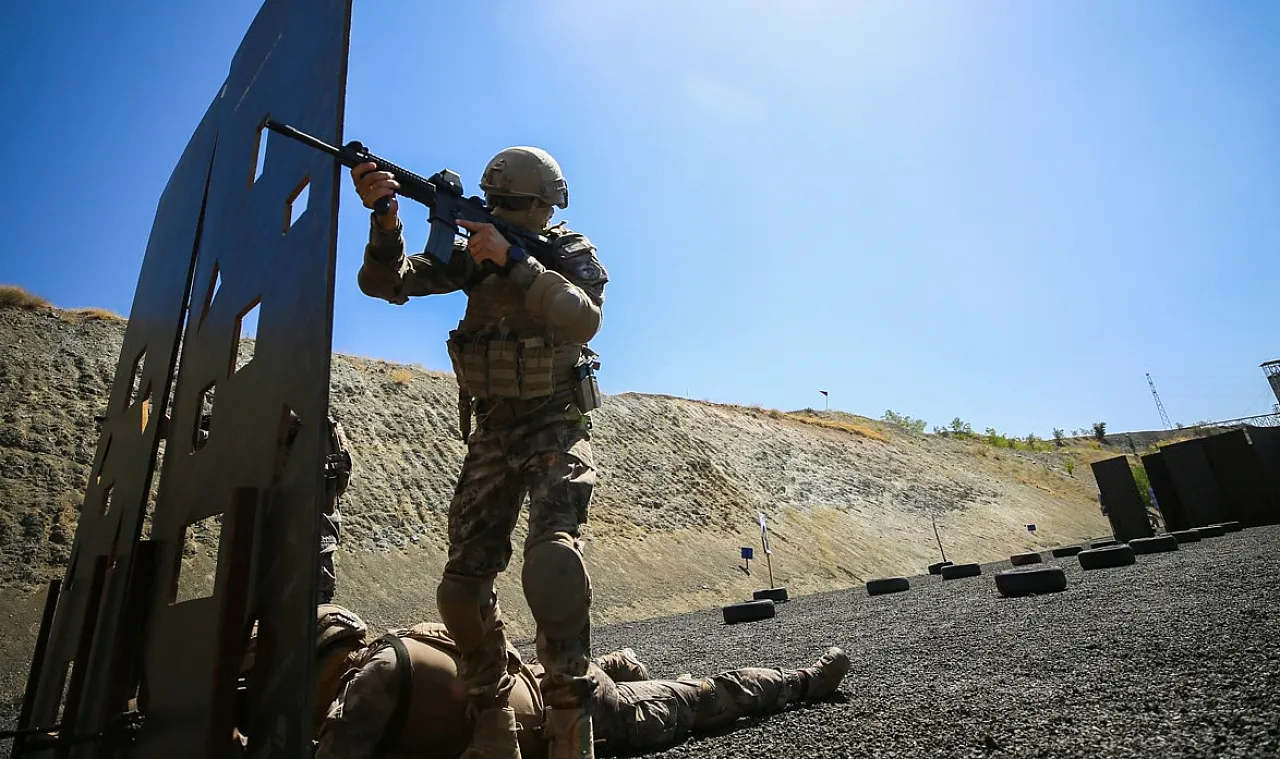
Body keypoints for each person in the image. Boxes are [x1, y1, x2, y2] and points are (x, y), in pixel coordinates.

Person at [351, 145, 608, 759]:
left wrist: (515, 262)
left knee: (553, 561)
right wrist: (385, 221)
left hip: (554, 423)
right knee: (462, 588)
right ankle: (493, 716)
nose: (500, 213)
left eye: (510, 205)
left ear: (542, 206)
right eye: (494, 204)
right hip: (493, 430)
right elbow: (386, 283)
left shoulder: (569, 252)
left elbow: (582, 320)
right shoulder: (473, 255)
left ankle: (569, 720)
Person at [313, 609, 851, 759]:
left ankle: (803, 681)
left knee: (703, 698)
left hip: (585, 713)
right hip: (552, 681)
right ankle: (619, 663)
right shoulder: (403, 644)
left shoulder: (369, 687)